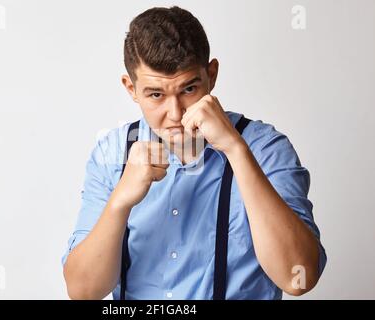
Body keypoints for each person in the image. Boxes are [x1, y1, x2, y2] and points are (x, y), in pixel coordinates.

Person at [61, 6, 327, 300]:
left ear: (211, 75)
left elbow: (298, 278)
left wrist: (236, 150)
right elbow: (83, 292)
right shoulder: (111, 153)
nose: (175, 113)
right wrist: (119, 202)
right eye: (156, 94)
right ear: (131, 88)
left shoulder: (265, 149)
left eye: (188, 89)